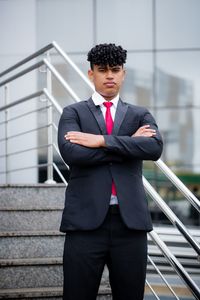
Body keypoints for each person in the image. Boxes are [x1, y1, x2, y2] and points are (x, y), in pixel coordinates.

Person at [58, 43, 163, 300]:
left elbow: (154, 148)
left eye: (115, 70)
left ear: (123, 74)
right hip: (84, 225)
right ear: (91, 74)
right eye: (102, 70)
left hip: (130, 225)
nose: (110, 76)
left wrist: (101, 140)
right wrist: (129, 143)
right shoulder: (73, 113)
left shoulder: (140, 114)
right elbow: (72, 154)